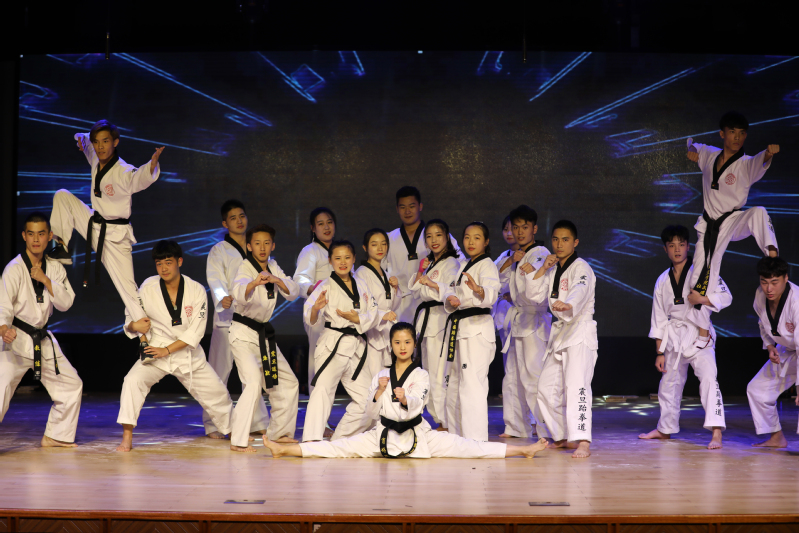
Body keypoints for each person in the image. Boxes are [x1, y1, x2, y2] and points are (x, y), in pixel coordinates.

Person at [264, 323, 548, 459]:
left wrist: (404, 399)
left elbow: (417, 403)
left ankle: (523, 450)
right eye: (397, 342)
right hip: (382, 435)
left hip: (418, 435)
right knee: (339, 448)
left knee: (468, 447)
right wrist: (378, 393)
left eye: (407, 342)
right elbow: (370, 411)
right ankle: (283, 449)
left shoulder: (420, 374)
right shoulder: (381, 374)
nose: (402, 347)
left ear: (414, 345)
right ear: (391, 345)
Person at [48, 120, 164, 352]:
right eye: (97, 142)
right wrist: (81, 139)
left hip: (115, 237)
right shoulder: (95, 156)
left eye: (106, 141)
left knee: (128, 290)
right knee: (62, 196)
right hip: (94, 222)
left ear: (115, 142)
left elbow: (139, 178)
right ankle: (61, 247)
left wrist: (151, 166)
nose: (100, 147)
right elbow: (86, 141)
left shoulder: (123, 171)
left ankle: (146, 341)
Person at [116, 241, 233, 452]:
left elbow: (196, 331)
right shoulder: (148, 287)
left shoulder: (196, 290)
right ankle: (127, 436)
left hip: (187, 353)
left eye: (168, 262)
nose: (163, 268)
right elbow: (131, 316)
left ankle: (234, 433)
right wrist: (134, 326)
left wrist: (167, 350)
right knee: (132, 381)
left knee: (218, 394)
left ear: (179, 261)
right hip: (155, 350)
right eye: (159, 264)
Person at [638, 225, 730, 449]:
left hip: (700, 334)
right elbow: (659, 318)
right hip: (674, 338)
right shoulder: (662, 281)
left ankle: (716, 431)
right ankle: (665, 429)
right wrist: (660, 351)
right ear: (665, 249)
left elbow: (726, 296)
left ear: (688, 246)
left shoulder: (702, 273)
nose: (677, 249)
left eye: (681, 244)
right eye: (672, 245)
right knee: (668, 384)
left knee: (709, 380)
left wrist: (703, 300)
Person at [0, 213, 82, 448]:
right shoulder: (14, 269)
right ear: (24, 236)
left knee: (71, 384)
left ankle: (56, 435)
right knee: (0, 389)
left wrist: (46, 280)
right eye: (31, 234)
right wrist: (3, 329)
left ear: (49, 236)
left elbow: (66, 303)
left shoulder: (55, 269)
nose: (36, 239)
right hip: (15, 339)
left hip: (41, 340)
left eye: (41, 234)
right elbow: (3, 304)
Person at [686, 111, 779, 305]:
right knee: (699, 279)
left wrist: (768, 153)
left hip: (733, 221)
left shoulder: (746, 164)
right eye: (732, 132)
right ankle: (703, 310)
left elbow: (760, 159)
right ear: (722, 134)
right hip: (709, 225)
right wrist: (692, 149)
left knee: (759, 212)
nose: (737, 137)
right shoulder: (709, 154)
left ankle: (773, 259)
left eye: (742, 133)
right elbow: (693, 143)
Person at [523, 220, 597, 458]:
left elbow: (580, 289)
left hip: (580, 330)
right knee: (545, 388)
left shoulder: (582, 267)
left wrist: (569, 304)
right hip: (561, 333)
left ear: (575, 242)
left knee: (577, 386)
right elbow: (534, 295)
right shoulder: (553, 268)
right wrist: (542, 268)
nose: (559, 244)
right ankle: (562, 436)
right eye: (555, 239)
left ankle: (583, 440)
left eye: (565, 240)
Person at [227, 224, 300, 452]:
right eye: (257, 243)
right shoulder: (245, 267)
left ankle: (279, 433)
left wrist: (276, 280)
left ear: (273, 246)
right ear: (249, 246)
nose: (262, 247)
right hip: (242, 334)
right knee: (253, 383)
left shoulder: (274, 266)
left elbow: (293, 291)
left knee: (289, 382)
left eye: (266, 243)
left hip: (263, 337)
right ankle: (238, 440)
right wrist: (254, 283)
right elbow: (238, 291)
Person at [203, 199, 270, 440]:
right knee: (219, 372)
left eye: (242, 216)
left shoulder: (254, 248)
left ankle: (257, 421)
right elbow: (215, 278)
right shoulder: (219, 250)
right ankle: (213, 424)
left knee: (252, 373)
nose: (239, 221)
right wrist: (223, 297)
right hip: (227, 319)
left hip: (251, 320)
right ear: (225, 223)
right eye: (233, 218)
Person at [302, 241, 379, 442]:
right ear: (330, 261)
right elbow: (309, 317)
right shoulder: (324, 286)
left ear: (354, 259)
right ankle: (311, 440)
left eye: (347, 257)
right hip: (332, 345)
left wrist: (358, 319)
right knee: (322, 391)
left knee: (367, 399)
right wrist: (315, 309)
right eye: (337, 258)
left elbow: (374, 312)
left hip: (356, 347)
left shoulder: (361, 284)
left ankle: (340, 439)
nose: (342, 262)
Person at [442, 222, 500, 441]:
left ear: (486, 242)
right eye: (467, 237)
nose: (471, 242)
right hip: (460, 327)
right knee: (455, 384)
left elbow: (492, 293)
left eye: (477, 238)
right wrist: (450, 298)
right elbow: (452, 292)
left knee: (473, 385)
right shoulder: (464, 264)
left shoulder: (487, 265)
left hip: (477, 329)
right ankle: (457, 437)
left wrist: (479, 290)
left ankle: (475, 440)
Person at [497, 206, 551, 439]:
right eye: (515, 227)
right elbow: (498, 282)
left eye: (524, 227)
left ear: (534, 229)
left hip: (533, 321)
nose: (519, 232)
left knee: (533, 377)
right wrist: (511, 262)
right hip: (518, 321)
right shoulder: (516, 255)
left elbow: (536, 292)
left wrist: (528, 273)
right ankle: (516, 427)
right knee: (512, 377)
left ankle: (545, 428)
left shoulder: (540, 253)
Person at [408, 219, 462, 430]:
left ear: (447, 237)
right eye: (429, 236)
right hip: (428, 321)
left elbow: (451, 292)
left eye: (438, 235)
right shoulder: (430, 263)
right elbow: (416, 291)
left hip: (441, 319)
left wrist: (431, 283)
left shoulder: (452, 263)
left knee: (440, 373)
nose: (434, 240)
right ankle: (440, 419)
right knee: (430, 372)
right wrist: (421, 273)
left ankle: (445, 421)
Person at [385, 186, 460, 324]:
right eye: (402, 207)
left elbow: (460, 263)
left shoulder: (438, 234)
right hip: (399, 304)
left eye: (412, 206)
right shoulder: (389, 238)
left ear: (420, 206)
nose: (407, 211)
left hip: (433, 302)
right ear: (397, 209)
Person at [746, 257, 798, 448]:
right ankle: (776, 437)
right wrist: (770, 346)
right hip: (786, 350)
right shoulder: (760, 295)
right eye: (764, 282)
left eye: (774, 282)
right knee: (757, 389)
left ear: (786, 278)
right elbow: (763, 324)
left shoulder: (796, 301)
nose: (769, 288)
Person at [294, 207, 337, 394]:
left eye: (329, 222)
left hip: (339, 313)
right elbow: (300, 280)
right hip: (317, 313)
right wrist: (314, 288)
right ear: (313, 228)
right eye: (320, 224)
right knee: (318, 358)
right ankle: (316, 403)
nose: (326, 227)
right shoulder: (310, 251)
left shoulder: (339, 250)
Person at [355, 229, 402, 381]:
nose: (380, 248)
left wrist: (396, 288)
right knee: (374, 378)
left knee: (386, 377)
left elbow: (392, 306)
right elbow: (363, 307)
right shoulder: (361, 273)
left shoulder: (386, 274)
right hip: (371, 331)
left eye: (383, 244)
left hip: (386, 330)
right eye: (374, 244)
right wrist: (382, 315)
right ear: (365, 247)